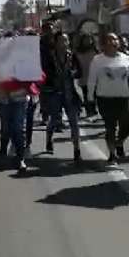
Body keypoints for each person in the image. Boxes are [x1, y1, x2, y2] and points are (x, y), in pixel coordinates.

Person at [87, 33, 129, 166]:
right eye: (109, 39)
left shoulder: (127, 59)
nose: (113, 42)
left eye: (115, 39)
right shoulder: (97, 60)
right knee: (110, 127)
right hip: (105, 98)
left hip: (125, 97)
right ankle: (112, 154)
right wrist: (90, 96)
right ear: (104, 43)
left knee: (128, 125)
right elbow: (92, 79)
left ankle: (119, 142)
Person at [43, 32, 83, 162]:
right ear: (56, 42)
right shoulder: (50, 56)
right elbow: (45, 73)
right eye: (61, 41)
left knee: (74, 122)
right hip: (55, 93)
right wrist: (51, 78)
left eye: (66, 41)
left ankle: (77, 150)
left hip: (70, 93)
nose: (64, 44)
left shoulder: (72, 56)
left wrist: (74, 73)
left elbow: (80, 72)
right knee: (55, 120)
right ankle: (49, 137)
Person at [0, 68, 40, 174]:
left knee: (18, 128)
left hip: (20, 96)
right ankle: (2, 155)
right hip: (3, 95)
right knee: (5, 128)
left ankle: (20, 158)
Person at [74, 33, 98, 117]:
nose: (87, 41)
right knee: (86, 94)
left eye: (89, 39)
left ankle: (94, 109)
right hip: (83, 75)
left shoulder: (95, 50)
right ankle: (89, 111)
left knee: (94, 94)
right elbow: (75, 64)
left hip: (94, 76)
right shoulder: (77, 52)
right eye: (86, 39)